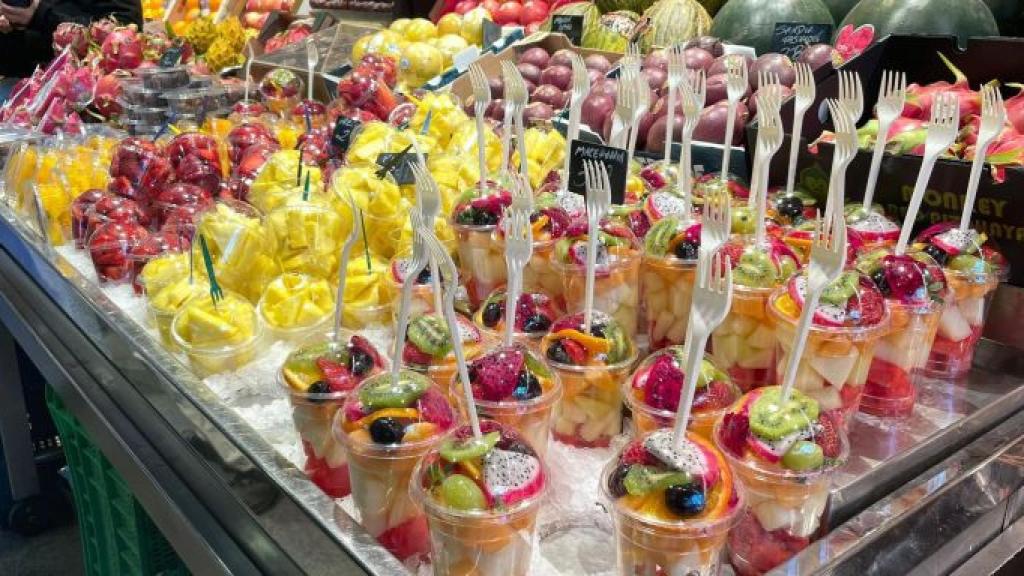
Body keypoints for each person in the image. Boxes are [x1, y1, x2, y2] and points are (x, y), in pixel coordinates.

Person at [0, 0, 143, 78]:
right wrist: (10, 31)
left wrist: (40, 15)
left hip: (88, 94)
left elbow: (124, 31)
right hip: (26, 88)